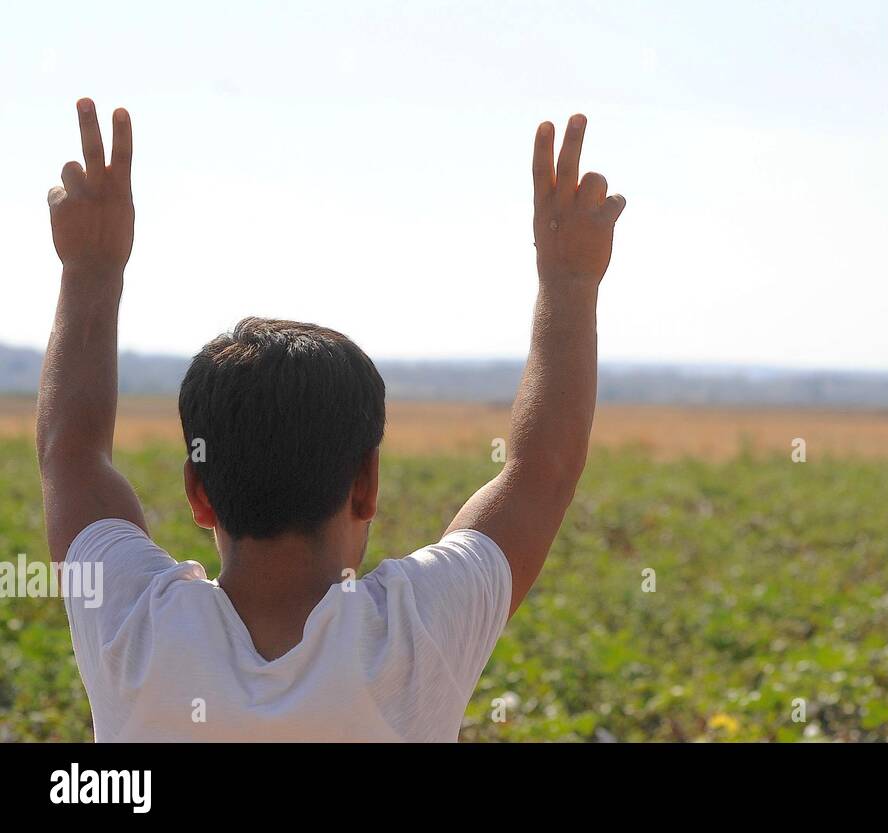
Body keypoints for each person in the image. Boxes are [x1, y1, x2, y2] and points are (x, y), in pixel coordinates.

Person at [39, 98, 625, 741]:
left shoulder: (132, 626)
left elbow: (70, 455)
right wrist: (570, 278)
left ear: (198, 494)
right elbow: (542, 469)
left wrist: (90, 267)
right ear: (366, 485)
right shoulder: (415, 635)